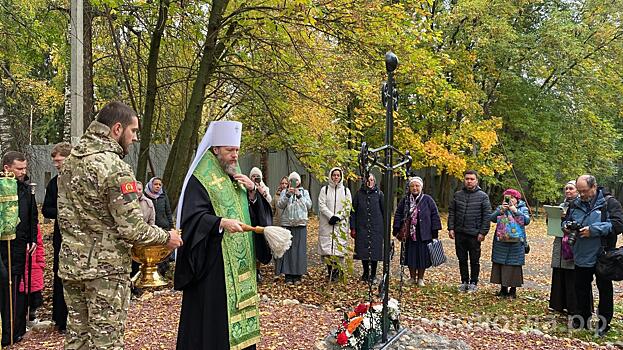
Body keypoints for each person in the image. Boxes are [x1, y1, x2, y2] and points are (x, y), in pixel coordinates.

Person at [57, 101, 183, 349]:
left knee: (77, 339)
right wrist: (166, 237)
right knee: (107, 342)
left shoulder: (71, 162)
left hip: (72, 265)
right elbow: (133, 228)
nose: (135, 137)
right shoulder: (115, 168)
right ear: (117, 129)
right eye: (133, 131)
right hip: (105, 270)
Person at [174, 120, 272, 350]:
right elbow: (191, 219)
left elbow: (253, 213)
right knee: (215, 329)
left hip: (242, 267)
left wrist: (252, 193)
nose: (235, 156)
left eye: (237, 150)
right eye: (229, 150)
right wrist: (219, 223)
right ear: (216, 149)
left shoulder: (235, 177)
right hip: (213, 269)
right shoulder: (201, 178)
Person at [563, 175, 623, 336]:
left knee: (604, 290)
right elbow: (566, 220)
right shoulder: (575, 204)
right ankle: (582, 318)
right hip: (581, 253)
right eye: (580, 191)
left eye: (585, 191)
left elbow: (618, 225)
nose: (581, 194)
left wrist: (593, 230)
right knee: (581, 288)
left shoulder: (610, 203)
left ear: (594, 187)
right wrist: (567, 227)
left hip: (603, 254)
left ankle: (604, 324)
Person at [1, 151, 38, 346]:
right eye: (19, 169)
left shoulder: (25, 189)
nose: (23, 172)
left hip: (20, 245)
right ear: (7, 168)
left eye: (24, 168)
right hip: (3, 245)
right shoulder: (2, 187)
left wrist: (32, 239)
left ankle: (16, 330)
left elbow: (32, 215)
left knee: (16, 285)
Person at [42, 141, 72, 333]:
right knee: (60, 274)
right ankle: (61, 318)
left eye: (59, 160)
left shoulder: (80, 180)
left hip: (80, 237)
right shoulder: (54, 183)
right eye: (55, 161)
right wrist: (64, 212)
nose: (57, 164)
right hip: (61, 236)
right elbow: (47, 209)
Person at [392, 177, 441, 286]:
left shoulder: (428, 199)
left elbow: (434, 215)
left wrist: (435, 232)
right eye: (412, 186)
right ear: (409, 188)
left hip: (424, 233)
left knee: (422, 257)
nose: (415, 188)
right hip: (409, 233)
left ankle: (420, 278)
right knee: (411, 256)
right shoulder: (405, 200)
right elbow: (398, 214)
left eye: (417, 186)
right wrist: (396, 229)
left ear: (421, 187)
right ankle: (412, 277)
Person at [448, 170, 492, 293]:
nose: (469, 181)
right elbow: (452, 212)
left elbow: (486, 216)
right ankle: (464, 281)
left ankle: (474, 282)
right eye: (467, 178)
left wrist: (483, 232)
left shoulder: (483, 196)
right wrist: (451, 228)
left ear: (476, 180)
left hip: (474, 234)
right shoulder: (458, 195)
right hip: (460, 232)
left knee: (474, 259)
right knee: (461, 259)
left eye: (472, 179)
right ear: (464, 180)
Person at [489, 189, 531, 298]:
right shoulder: (501, 208)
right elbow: (492, 218)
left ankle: (513, 290)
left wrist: (515, 211)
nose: (510, 200)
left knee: (514, 265)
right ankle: (503, 289)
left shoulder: (522, 208)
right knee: (501, 263)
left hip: (516, 242)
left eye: (512, 197)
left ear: (517, 199)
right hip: (501, 241)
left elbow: (526, 221)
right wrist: (500, 211)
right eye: (507, 197)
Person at [274, 172, 312, 284]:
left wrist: (299, 195)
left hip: (300, 224)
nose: (294, 182)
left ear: (299, 182)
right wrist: (288, 195)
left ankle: (298, 275)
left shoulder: (304, 192)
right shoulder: (285, 192)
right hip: (287, 224)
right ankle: (288, 275)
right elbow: (280, 205)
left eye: (296, 180)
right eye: (291, 180)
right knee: (288, 250)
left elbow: (309, 206)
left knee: (299, 250)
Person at [549, 181, 579, 314]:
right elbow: (552, 224)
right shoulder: (562, 205)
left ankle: (572, 306)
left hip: (572, 243)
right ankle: (558, 304)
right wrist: (552, 217)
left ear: (578, 190)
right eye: (566, 188)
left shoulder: (580, 205)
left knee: (572, 276)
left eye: (571, 188)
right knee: (559, 273)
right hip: (559, 241)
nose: (568, 191)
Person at [318, 167, 352, 282]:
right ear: (331, 176)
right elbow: (321, 204)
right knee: (328, 249)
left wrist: (338, 216)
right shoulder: (325, 190)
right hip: (327, 224)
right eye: (334, 175)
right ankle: (330, 272)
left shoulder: (346, 191)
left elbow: (348, 207)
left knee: (338, 248)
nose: (336, 177)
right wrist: (330, 216)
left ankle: (337, 272)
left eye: (338, 175)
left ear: (341, 176)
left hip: (340, 224)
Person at [350, 174, 384, 283]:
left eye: (372, 180)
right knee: (363, 250)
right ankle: (365, 273)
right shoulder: (359, 194)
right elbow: (353, 212)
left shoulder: (379, 194)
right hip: (362, 226)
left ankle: (373, 274)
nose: (370, 182)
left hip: (376, 227)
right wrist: (353, 227)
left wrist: (384, 229)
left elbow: (384, 212)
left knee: (374, 251)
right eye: (368, 180)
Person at [143, 177, 174, 276]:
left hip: (164, 227)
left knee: (164, 253)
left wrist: (171, 226)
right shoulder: (145, 197)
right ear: (151, 185)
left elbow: (168, 212)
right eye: (155, 184)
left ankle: (162, 274)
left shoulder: (163, 197)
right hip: (152, 229)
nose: (157, 186)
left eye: (160, 185)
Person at [131, 181, 156, 281]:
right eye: (136, 189)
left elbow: (152, 220)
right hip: (129, 236)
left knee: (139, 263)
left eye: (140, 189)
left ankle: (138, 284)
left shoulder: (148, 203)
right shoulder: (127, 201)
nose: (138, 191)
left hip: (142, 236)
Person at [20, 224, 44, 324]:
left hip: (34, 267)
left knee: (34, 297)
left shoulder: (34, 227)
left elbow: (39, 245)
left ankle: (31, 316)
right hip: (20, 267)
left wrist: (41, 263)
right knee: (21, 297)